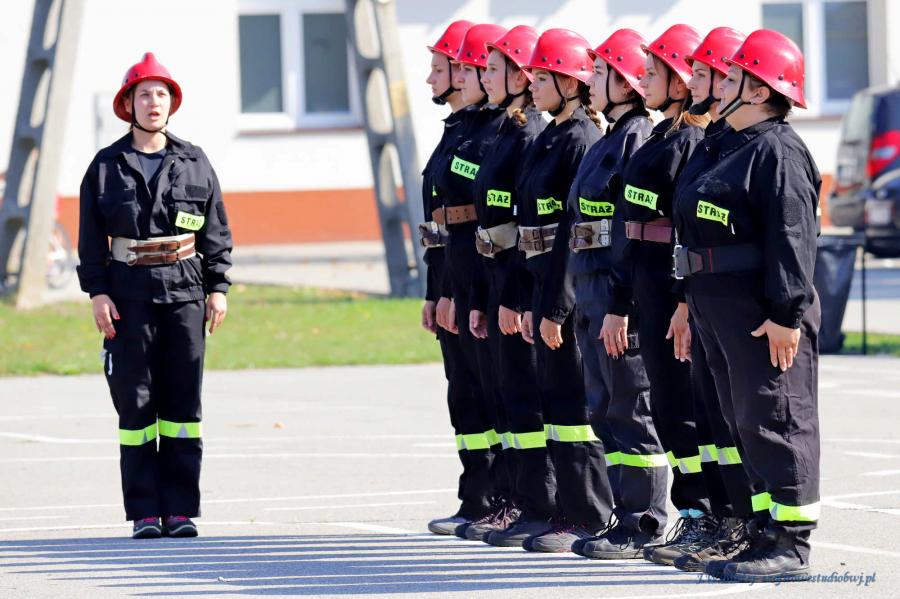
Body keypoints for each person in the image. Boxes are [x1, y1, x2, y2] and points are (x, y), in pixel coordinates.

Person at [672, 29, 821, 583]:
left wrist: (786, 314)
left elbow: (793, 237)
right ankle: (763, 530)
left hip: (762, 313)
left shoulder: (777, 150)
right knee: (745, 422)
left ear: (760, 91)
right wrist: (689, 301)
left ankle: (791, 543)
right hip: (717, 306)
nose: (719, 82)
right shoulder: (724, 144)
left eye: (733, 76)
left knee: (777, 418)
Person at [77, 52, 232, 539]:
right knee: (136, 402)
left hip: (185, 291)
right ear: (129, 104)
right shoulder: (106, 166)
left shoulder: (195, 160)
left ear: (171, 103)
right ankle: (145, 511)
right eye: (144, 94)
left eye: (161, 94)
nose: (153, 102)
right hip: (128, 294)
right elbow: (90, 239)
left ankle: (180, 510)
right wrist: (97, 293)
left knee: (183, 403)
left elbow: (215, 230)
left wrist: (219, 287)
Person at [486, 28, 613, 553]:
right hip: (537, 283)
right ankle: (563, 508)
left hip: (565, 289)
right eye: (534, 77)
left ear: (571, 83)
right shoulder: (549, 136)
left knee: (574, 409)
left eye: (543, 77)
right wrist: (521, 298)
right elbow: (525, 228)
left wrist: (557, 307)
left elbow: (570, 236)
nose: (533, 85)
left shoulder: (580, 140)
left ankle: (589, 513)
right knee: (555, 404)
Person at [599, 24, 723, 563]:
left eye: (652, 72)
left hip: (671, 288)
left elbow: (685, 229)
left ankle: (705, 515)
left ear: (679, 81)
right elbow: (631, 226)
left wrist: (681, 303)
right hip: (644, 283)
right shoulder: (660, 136)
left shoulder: (690, 141)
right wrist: (620, 301)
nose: (642, 80)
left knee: (688, 411)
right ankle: (694, 516)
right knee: (670, 411)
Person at [556, 28, 669, 560]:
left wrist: (622, 304)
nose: (591, 79)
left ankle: (646, 520)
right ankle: (622, 515)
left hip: (614, 292)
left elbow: (631, 230)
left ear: (625, 84)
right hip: (591, 288)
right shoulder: (608, 139)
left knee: (630, 408)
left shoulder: (637, 139)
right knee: (603, 408)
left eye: (601, 72)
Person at [670, 26, 758, 573]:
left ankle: (743, 525)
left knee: (736, 423)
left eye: (706, 74)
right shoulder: (708, 142)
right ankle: (728, 522)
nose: (696, 83)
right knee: (713, 420)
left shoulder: (747, 146)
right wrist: (685, 300)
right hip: (700, 298)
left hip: (734, 303)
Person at [462, 25, 552, 542]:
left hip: (518, 283)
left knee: (527, 397)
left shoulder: (530, 133)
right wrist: (482, 296)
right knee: (508, 396)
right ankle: (519, 501)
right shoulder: (506, 129)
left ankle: (538, 503)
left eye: (493, 69)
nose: (484, 77)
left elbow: (526, 225)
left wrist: (515, 297)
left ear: (520, 77)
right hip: (496, 279)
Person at [431, 22, 513, 534]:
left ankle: (503, 497)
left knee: (493, 395)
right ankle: (478, 496)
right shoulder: (461, 129)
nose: (441, 78)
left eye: (457, 67)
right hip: (455, 275)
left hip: (480, 278)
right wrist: (436, 291)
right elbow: (440, 223)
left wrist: (468, 295)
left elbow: (487, 221)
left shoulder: (497, 132)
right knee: (465, 397)